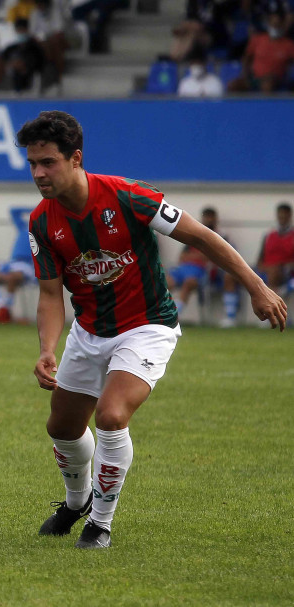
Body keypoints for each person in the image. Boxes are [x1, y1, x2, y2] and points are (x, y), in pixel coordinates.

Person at [19, 110, 286, 549]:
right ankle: (76, 499)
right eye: (32, 163)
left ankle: (100, 523)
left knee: (110, 415)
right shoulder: (41, 222)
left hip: (148, 326)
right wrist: (47, 348)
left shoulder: (129, 196)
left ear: (76, 158)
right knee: (62, 427)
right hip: (89, 332)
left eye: (47, 162)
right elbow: (51, 295)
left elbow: (201, 237)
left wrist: (256, 286)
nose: (39, 172)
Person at [165, 207, 240, 326]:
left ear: (216, 219)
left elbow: (215, 257)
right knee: (164, 283)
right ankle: (156, 316)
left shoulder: (221, 236)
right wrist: (199, 255)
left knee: (189, 283)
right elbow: (182, 256)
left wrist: (196, 256)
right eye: (206, 217)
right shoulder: (194, 234)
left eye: (211, 217)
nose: (208, 220)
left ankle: (173, 317)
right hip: (184, 268)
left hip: (203, 271)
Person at [0, 207, 35, 324]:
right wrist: (36, 208)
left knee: (12, 277)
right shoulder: (23, 228)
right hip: (13, 263)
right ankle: (1, 307)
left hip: (28, 265)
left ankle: (5, 310)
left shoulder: (45, 232)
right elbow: (13, 211)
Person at [228, 11, 294, 93]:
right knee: (233, 85)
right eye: (273, 25)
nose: (275, 28)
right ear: (269, 24)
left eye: (277, 25)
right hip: (255, 79)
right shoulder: (257, 40)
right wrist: (245, 75)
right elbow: (246, 58)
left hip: (275, 80)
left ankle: (266, 106)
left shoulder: (289, 45)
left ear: (282, 25)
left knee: (267, 84)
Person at [256, 201, 294, 295]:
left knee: (274, 271)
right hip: (267, 269)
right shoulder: (268, 235)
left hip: (286, 272)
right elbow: (260, 258)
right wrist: (262, 267)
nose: (282, 218)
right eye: (280, 215)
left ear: (289, 216)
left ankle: (271, 301)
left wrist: (283, 266)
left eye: (285, 215)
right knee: (233, 274)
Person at [0, 18, 46, 93]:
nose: (21, 32)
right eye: (19, 30)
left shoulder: (35, 48)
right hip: (12, 73)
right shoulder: (10, 48)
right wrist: (12, 64)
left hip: (30, 74)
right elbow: (2, 60)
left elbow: (40, 63)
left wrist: (25, 65)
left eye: (23, 30)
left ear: (27, 30)